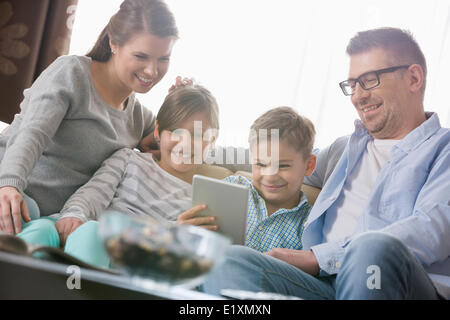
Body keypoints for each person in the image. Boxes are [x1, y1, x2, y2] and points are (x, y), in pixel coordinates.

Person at [200, 27, 450, 300]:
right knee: (232, 260)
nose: (358, 96)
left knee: (372, 248)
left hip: (396, 286)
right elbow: (281, 158)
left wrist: (319, 258)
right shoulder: (345, 148)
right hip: (324, 288)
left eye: (369, 80)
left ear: (413, 78)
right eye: (352, 84)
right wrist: (187, 146)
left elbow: (431, 230)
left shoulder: (443, 150)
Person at [0, 0, 183, 241]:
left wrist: (181, 104)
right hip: (11, 191)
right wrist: (9, 184)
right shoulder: (72, 73)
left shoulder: (140, 118)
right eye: (141, 56)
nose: (152, 70)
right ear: (114, 43)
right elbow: (32, 134)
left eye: (163, 59)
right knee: (24, 214)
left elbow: (175, 147)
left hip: (50, 223)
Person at [50, 84, 220, 268]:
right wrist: (74, 215)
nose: (185, 143)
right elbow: (92, 195)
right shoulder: (128, 159)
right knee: (46, 229)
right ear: (158, 131)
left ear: (212, 141)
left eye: (197, 135)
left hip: (141, 261)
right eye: (175, 131)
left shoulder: (203, 200)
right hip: (96, 243)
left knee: (91, 231)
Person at [223, 107, 316, 252]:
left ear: (308, 165)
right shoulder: (231, 188)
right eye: (260, 164)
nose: (270, 176)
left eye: (283, 166)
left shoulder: (309, 225)